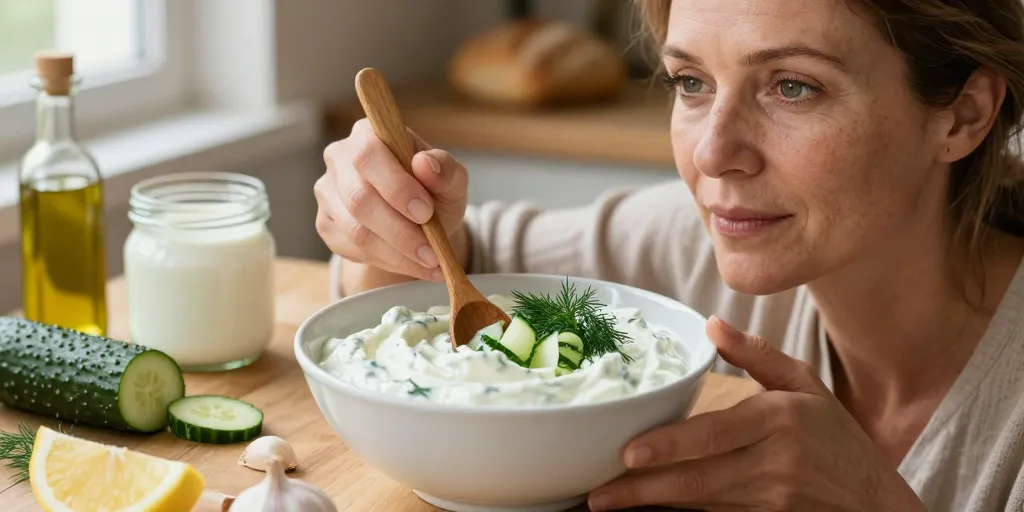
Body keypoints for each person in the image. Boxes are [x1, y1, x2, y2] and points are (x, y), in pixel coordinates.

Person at [315, 0, 1024, 510]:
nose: (713, 154)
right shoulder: (704, 237)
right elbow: (457, 266)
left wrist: (872, 500)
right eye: (692, 83)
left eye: (793, 87)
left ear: (963, 115)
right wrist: (384, 218)